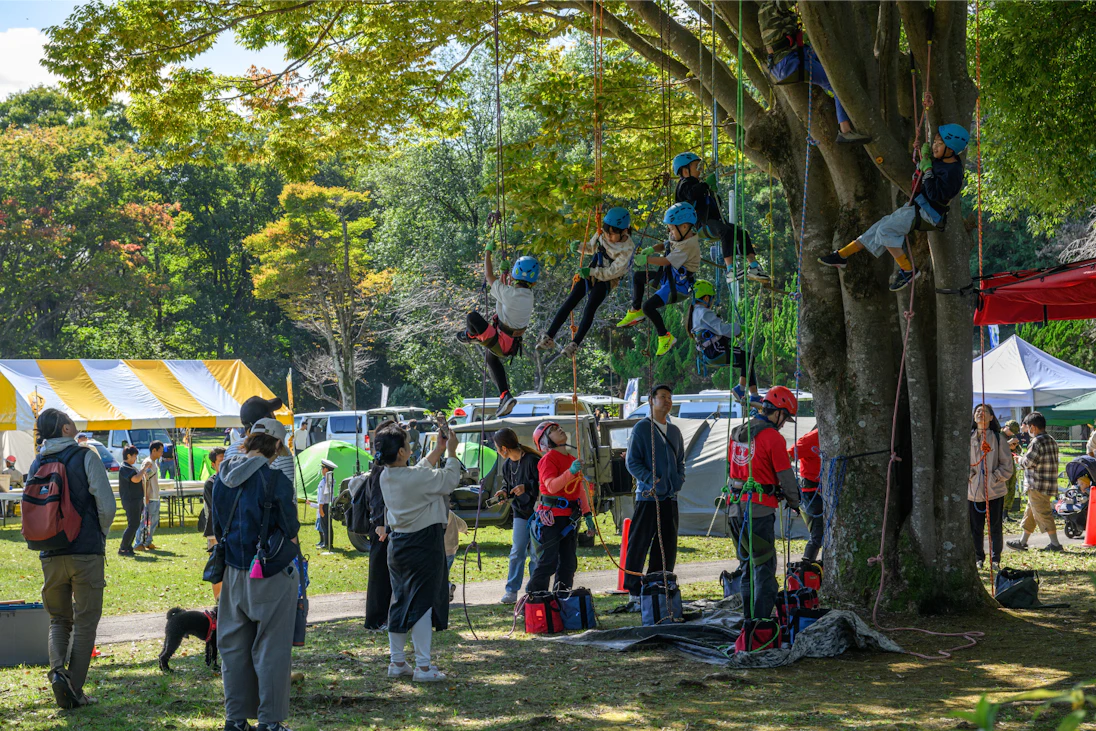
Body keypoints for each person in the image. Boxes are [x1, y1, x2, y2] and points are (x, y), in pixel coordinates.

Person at [212, 418, 300, 731]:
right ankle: (270, 722)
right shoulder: (276, 480)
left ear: (249, 441)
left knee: (233, 651)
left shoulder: (221, 477)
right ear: (277, 444)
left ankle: (235, 720)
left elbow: (217, 527)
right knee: (272, 649)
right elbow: (290, 529)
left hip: (232, 572)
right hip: (268, 573)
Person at [30, 409, 115, 709]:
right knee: (86, 621)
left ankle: (57, 675)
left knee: (59, 619)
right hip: (85, 551)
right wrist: (100, 534)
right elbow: (106, 504)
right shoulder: (86, 455)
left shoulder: (37, 461)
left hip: (49, 552)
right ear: (66, 428)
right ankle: (73, 689)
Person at [818, 125, 969, 291]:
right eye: (934, 142)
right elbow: (921, 183)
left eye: (939, 144)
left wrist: (927, 169)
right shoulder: (939, 161)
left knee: (886, 230)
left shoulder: (954, 173)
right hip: (917, 206)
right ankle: (842, 255)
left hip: (928, 214)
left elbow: (934, 194)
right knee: (877, 229)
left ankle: (908, 270)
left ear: (951, 149)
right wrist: (925, 158)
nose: (934, 146)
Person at [377, 421, 461, 682]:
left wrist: (437, 449)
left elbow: (416, 473)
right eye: (407, 444)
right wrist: (451, 453)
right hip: (424, 544)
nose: (410, 447)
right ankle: (424, 668)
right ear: (401, 452)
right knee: (422, 604)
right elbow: (449, 480)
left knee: (400, 600)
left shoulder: (386, 475)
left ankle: (397, 662)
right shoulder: (413, 478)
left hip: (398, 545)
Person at [727, 386, 801, 620]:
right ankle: (761, 625)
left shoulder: (739, 432)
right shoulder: (772, 438)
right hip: (758, 511)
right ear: (777, 412)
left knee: (748, 567)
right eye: (784, 418)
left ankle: (749, 621)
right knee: (765, 570)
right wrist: (794, 500)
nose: (783, 423)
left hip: (734, 510)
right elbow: (785, 476)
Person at [757, 1, 871, 145]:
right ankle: (845, 130)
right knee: (836, 84)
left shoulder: (768, 8)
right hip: (789, 62)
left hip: (792, 57)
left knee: (825, 49)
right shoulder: (772, 6)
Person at [537, 207, 635, 359]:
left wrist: (591, 273)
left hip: (608, 280)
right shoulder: (602, 233)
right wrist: (578, 247)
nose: (608, 236)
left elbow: (612, 272)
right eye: (607, 232)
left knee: (590, 308)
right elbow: (591, 248)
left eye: (612, 234)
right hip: (593, 271)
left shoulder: (627, 248)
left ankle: (574, 344)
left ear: (624, 231)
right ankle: (549, 336)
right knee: (570, 301)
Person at [456, 250, 539, 418]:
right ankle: (504, 394)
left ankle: (471, 336)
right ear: (534, 282)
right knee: (490, 357)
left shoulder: (511, 293)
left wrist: (487, 252)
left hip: (502, 341)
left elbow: (488, 276)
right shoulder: (528, 296)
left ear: (516, 276)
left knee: (472, 317)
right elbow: (505, 293)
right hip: (510, 342)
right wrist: (504, 274)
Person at [623, 385, 686, 601]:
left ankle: (658, 584)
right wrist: (651, 479)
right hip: (648, 497)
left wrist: (677, 481)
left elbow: (680, 462)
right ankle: (633, 590)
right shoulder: (642, 428)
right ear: (651, 400)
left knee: (667, 544)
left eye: (670, 397)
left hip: (670, 496)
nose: (667, 401)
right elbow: (632, 462)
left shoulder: (675, 431)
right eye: (662, 397)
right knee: (639, 543)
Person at [616, 203, 703, 356]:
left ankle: (665, 337)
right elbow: (666, 244)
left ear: (684, 227)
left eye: (672, 228)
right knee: (638, 277)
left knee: (649, 306)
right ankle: (636, 310)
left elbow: (666, 261)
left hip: (678, 286)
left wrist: (647, 259)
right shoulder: (680, 234)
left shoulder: (689, 246)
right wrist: (653, 249)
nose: (670, 231)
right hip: (668, 277)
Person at [670, 153, 770, 285]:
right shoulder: (684, 185)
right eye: (696, 166)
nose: (700, 169)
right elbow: (692, 194)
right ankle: (730, 270)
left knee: (741, 233)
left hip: (714, 221)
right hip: (702, 224)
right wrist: (706, 185)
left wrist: (712, 192)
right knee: (726, 232)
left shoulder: (697, 185)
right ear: (685, 170)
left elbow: (715, 204)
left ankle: (754, 266)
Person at [525, 421, 595, 594]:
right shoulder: (548, 460)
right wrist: (570, 471)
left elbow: (579, 491)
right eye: (554, 430)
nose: (560, 430)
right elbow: (551, 486)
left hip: (569, 518)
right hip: (552, 517)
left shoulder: (572, 460)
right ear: (546, 441)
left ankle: (562, 596)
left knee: (568, 562)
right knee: (549, 561)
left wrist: (587, 515)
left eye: (559, 427)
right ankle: (535, 596)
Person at [686, 279, 764, 406]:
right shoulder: (704, 312)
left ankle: (750, 393)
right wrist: (738, 328)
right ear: (706, 298)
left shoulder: (695, 313)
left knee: (747, 360)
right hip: (717, 351)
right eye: (711, 299)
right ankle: (744, 391)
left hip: (709, 354)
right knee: (748, 358)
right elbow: (722, 329)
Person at [492, 427, 541, 604]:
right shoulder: (507, 465)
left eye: (497, 447)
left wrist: (526, 487)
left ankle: (536, 590)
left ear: (504, 448)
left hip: (538, 512)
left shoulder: (532, 460)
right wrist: (504, 493)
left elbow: (543, 485)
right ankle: (511, 591)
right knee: (517, 552)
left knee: (535, 553)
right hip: (520, 512)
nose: (497, 451)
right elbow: (508, 485)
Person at [1007, 412, 1064, 553]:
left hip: (1037, 484)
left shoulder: (1037, 441)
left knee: (1043, 514)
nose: (1027, 431)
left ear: (1033, 427)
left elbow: (1028, 462)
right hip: (1048, 484)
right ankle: (1022, 541)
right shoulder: (1051, 439)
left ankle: (1055, 544)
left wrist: (1019, 459)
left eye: (1027, 427)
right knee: (1030, 513)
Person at [968, 404, 1014, 571]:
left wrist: (994, 478)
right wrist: (969, 476)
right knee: (975, 527)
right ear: (973, 417)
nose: (980, 414)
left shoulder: (997, 437)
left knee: (995, 526)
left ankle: (995, 559)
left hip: (995, 491)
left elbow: (1007, 465)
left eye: (985, 411)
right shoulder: (968, 438)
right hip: (973, 492)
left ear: (991, 417)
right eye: (977, 411)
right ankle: (978, 557)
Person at [231, 396, 297, 493]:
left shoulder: (232, 449)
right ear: (266, 419)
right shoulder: (279, 450)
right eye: (272, 413)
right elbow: (287, 494)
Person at [790, 426, 824, 563]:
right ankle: (806, 566)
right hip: (813, 494)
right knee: (818, 534)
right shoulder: (810, 439)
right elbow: (788, 455)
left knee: (827, 534)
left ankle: (817, 566)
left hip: (827, 492)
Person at [201, 447, 227, 598]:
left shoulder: (231, 480)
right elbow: (217, 509)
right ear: (213, 464)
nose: (225, 464)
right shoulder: (211, 483)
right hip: (215, 532)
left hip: (230, 531)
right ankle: (218, 601)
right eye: (221, 461)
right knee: (218, 567)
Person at [133, 441, 164, 551]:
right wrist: (145, 496)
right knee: (145, 521)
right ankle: (138, 543)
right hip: (150, 497)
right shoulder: (148, 463)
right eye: (160, 451)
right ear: (154, 450)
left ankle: (148, 542)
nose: (162, 453)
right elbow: (144, 480)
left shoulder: (153, 462)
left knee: (153, 521)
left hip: (155, 496)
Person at [117, 446, 145, 557]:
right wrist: (144, 469)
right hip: (130, 500)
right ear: (128, 456)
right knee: (133, 524)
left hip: (136, 499)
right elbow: (135, 479)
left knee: (135, 524)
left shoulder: (130, 467)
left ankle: (128, 547)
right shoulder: (124, 467)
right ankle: (123, 548)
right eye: (134, 456)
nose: (135, 459)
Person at [444, 510, 468, 603]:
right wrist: (465, 530)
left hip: (438, 550)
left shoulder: (432, 513)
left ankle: (446, 587)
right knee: (444, 572)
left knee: (437, 574)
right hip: (451, 551)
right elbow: (462, 524)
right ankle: (447, 587)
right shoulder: (450, 514)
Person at [1002, 419, 1023, 520]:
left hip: (1010, 464)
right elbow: (995, 448)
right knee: (1003, 489)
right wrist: (1008, 443)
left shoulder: (1012, 437)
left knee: (1011, 488)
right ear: (1005, 427)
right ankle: (1000, 513)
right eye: (1010, 430)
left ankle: (1006, 513)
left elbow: (1019, 450)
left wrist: (1014, 446)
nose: (1011, 433)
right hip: (1001, 465)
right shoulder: (998, 435)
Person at [315, 458, 337, 549]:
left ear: (326, 470)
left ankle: (327, 543)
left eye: (323, 468)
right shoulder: (330, 480)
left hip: (324, 505)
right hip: (328, 504)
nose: (322, 470)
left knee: (325, 525)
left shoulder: (325, 482)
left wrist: (320, 508)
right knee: (327, 525)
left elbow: (322, 497)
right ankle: (328, 542)